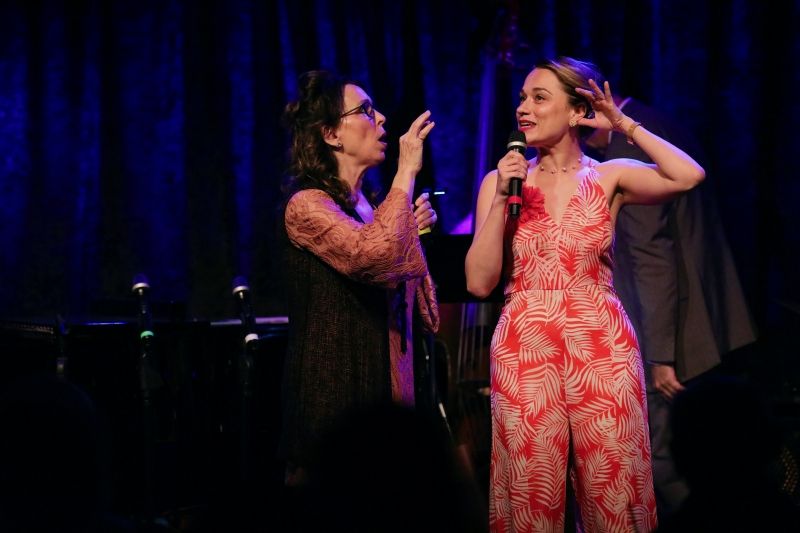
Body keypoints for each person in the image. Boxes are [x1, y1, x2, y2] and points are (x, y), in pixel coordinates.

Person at [465, 56, 705, 532]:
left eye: (539, 98)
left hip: (600, 341)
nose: (523, 109)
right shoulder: (500, 182)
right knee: (531, 491)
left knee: (612, 488)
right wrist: (497, 202)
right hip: (525, 343)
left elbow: (688, 175)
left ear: (577, 112)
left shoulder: (608, 176)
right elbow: (478, 282)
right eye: (521, 99)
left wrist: (623, 124)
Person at [585, 93, 757, 521]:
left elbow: (651, 255)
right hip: (698, 316)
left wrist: (660, 356)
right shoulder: (657, 121)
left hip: (671, 329)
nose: (586, 148)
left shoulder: (630, 147)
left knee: (663, 462)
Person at [277, 70, 440, 487]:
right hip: (335, 397)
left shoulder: (371, 209)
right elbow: (372, 257)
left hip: (387, 395)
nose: (382, 118)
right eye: (366, 110)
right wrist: (405, 174)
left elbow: (426, 312)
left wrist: (411, 237)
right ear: (332, 134)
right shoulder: (306, 205)